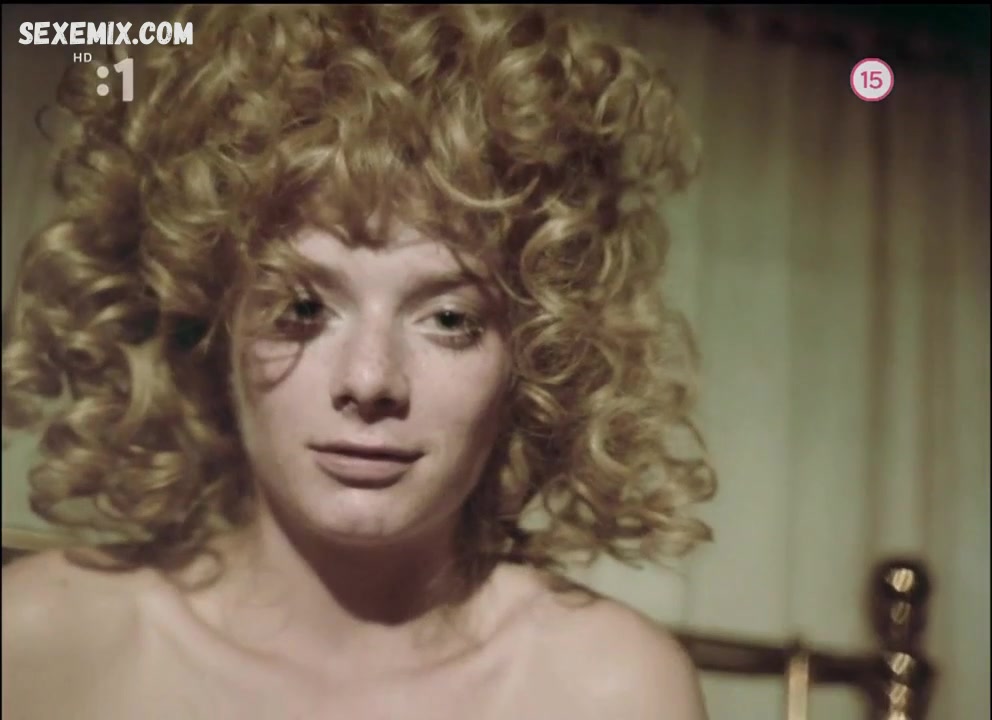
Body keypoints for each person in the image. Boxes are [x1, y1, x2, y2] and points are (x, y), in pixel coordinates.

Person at [1, 4, 716, 719]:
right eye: (303, 308)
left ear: (535, 357)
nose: (369, 381)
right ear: (210, 322)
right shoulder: (42, 643)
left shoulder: (611, 689)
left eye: (449, 319)